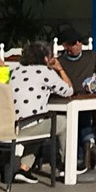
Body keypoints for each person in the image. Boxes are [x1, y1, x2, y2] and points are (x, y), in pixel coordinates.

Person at [8, 40, 74, 182]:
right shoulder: (45, 72)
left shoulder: (15, 71)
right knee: (63, 122)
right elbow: (69, 90)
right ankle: (67, 166)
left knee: (41, 124)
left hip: (12, 126)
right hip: (29, 126)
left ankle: (24, 169)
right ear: (45, 58)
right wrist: (60, 69)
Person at [55, 27, 96, 167]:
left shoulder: (91, 56)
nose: (78, 45)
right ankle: (89, 145)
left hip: (87, 98)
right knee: (76, 116)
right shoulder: (59, 62)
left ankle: (81, 156)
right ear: (65, 46)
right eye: (74, 43)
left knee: (82, 114)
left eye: (80, 42)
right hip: (67, 99)